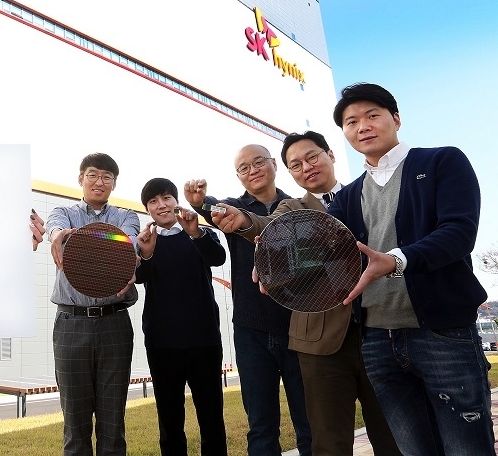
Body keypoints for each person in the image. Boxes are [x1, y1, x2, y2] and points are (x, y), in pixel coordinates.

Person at [328, 82, 494, 454]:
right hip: (377, 340)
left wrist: (396, 260)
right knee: (413, 450)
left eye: (372, 115)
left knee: (467, 448)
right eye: (351, 122)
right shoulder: (347, 196)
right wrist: (275, 261)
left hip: (442, 332)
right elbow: (323, 246)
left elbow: (458, 232)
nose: (363, 126)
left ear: (396, 119)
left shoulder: (441, 161)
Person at [212, 131, 399, 456]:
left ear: (330, 154)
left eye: (312, 157)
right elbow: (267, 224)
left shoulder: (367, 194)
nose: (306, 167)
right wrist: (244, 221)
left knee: (391, 434)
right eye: (296, 164)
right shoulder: (292, 208)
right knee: (325, 441)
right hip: (320, 341)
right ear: (289, 172)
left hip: (379, 331)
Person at [184, 144, 311, 456]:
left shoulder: (297, 206)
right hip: (251, 329)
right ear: (238, 176)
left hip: (298, 327)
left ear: (274, 165)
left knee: (309, 422)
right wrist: (199, 204)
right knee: (261, 426)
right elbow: (215, 210)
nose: (253, 170)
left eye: (258, 162)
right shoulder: (234, 208)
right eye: (244, 167)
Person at [44, 153, 139, 456]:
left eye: (107, 177)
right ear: (81, 179)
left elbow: (129, 243)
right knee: (75, 423)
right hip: (71, 325)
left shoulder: (126, 216)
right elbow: (55, 228)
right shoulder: (64, 213)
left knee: (113, 422)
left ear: (114, 183)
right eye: (93, 175)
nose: (100, 182)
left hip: (114, 323)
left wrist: (112, 248)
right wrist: (58, 236)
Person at [135, 178, 227, 455]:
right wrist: (147, 254)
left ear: (176, 201)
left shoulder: (199, 231)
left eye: (166, 198)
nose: (161, 205)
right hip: (162, 342)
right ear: (148, 209)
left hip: (204, 339)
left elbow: (218, 258)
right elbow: (139, 277)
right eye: (153, 201)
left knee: (211, 417)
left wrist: (195, 233)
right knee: (170, 420)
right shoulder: (145, 241)